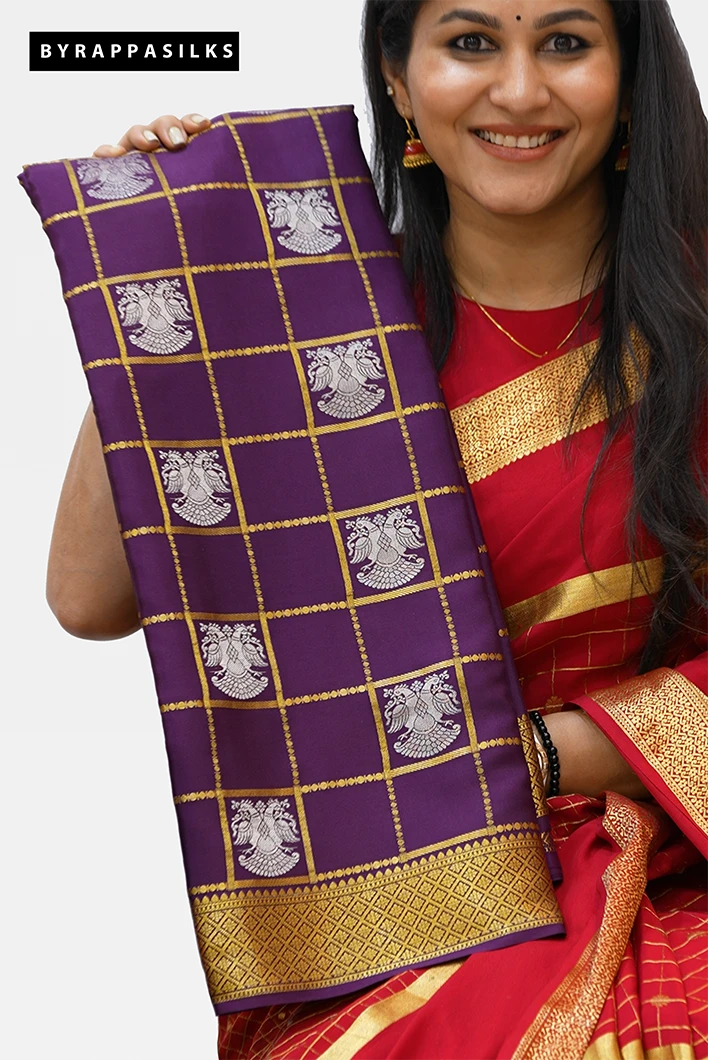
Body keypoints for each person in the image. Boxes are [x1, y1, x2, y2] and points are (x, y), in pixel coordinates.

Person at [48, 0, 708, 1056]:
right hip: (395, 895)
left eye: (567, 42)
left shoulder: (695, 322)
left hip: (676, 851)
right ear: (399, 82)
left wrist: (548, 754)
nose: (520, 90)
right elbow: (88, 599)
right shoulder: (304, 321)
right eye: (471, 42)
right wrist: (158, 291)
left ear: (629, 79)